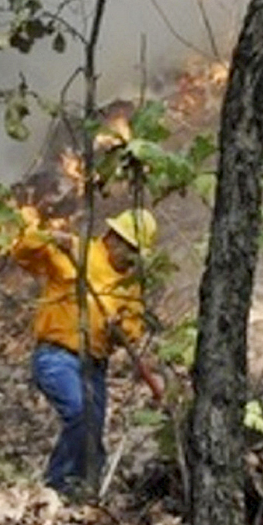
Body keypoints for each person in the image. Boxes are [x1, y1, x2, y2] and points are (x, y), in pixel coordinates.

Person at [11, 206, 166, 495]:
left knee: (92, 431)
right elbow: (22, 252)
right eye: (126, 246)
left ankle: (86, 492)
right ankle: (55, 488)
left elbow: (133, 327)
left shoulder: (130, 285)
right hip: (57, 356)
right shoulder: (76, 251)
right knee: (80, 413)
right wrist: (47, 238)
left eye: (134, 251)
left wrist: (119, 328)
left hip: (95, 365)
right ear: (111, 237)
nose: (128, 256)